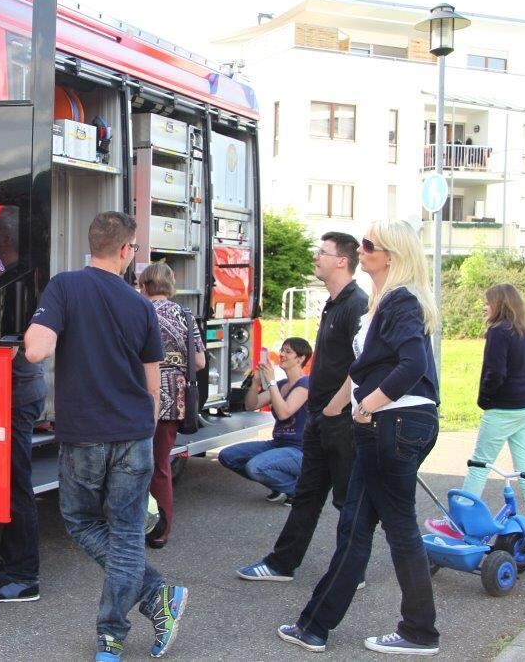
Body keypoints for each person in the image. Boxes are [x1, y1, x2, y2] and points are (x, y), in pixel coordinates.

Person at [24, 212, 188, 661]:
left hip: (84, 435)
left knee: (81, 522)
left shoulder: (65, 287)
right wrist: (142, 433)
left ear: (92, 244)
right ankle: (149, 603)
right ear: (124, 250)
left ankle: (120, 628)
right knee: (128, 534)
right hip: (133, 433)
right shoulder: (142, 306)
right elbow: (153, 386)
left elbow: (36, 349)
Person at [278, 220, 441, 656]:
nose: (362, 249)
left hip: (396, 424)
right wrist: (342, 405)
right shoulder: (385, 302)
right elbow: (366, 366)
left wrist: (367, 404)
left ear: (391, 255)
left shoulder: (401, 301)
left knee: (395, 528)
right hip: (389, 426)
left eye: (370, 244)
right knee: (356, 527)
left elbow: (412, 365)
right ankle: (314, 626)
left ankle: (419, 632)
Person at [234, 232, 367, 582]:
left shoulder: (357, 304)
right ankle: (281, 564)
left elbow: (362, 366)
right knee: (307, 494)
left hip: (340, 420)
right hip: (320, 420)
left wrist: (336, 409)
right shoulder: (333, 302)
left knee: (347, 499)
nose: (316, 257)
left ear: (342, 261)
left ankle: (352, 569)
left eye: (323, 252)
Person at [426, 283, 525, 553]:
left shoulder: (498, 331)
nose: (484, 306)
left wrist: (484, 399)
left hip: (503, 409)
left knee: (479, 465)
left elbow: (496, 373)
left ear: (500, 303)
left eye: (487, 302)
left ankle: (459, 526)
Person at [0, 206, 49, 602]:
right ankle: (9, 560)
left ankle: (25, 574)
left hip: (19, 393)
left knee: (18, 485)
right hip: (21, 391)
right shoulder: (18, 278)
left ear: (2, 241)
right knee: (10, 484)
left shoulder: (17, 284)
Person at [138, 262, 206, 549]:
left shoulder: (140, 312)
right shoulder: (186, 315)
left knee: (138, 464)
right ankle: (160, 529)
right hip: (175, 399)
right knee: (161, 464)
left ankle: (145, 524)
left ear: (144, 285)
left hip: (142, 395)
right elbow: (201, 361)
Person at [217, 338, 312, 504]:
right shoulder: (282, 385)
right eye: (282, 350)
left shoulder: (306, 384)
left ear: (301, 358)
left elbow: (284, 413)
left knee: (255, 466)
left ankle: (297, 491)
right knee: (228, 456)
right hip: (278, 444)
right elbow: (251, 405)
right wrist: (255, 384)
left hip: (299, 449)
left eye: (288, 352)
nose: (281, 354)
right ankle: (281, 485)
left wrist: (272, 382)